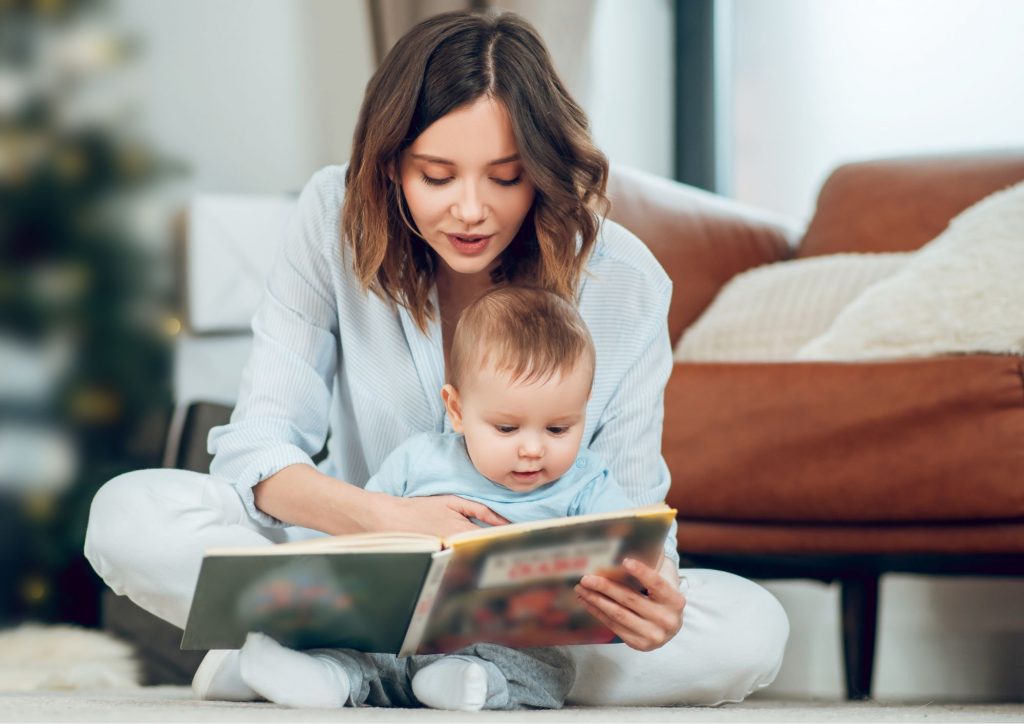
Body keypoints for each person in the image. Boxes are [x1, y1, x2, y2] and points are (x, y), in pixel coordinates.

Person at [84, 8, 788, 708]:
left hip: (530, 616)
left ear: (543, 171)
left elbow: (633, 516)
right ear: (391, 166)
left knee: (750, 630)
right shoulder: (333, 217)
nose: (471, 210)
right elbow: (258, 451)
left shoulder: (623, 280)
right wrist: (385, 519)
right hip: (352, 562)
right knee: (128, 516)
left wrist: (649, 598)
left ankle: (302, 659)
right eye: (438, 175)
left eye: (506, 178)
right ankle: (393, 667)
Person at [231, 285, 679, 711]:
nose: (533, 448)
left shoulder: (587, 483)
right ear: (457, 410)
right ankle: (326, 679)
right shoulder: (418, 461)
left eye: (559, 428)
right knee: (354, 647)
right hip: (400, 628)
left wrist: (652, 574)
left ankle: (466, 681)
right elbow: (362, 542)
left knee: (549, 668)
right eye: (507, 428)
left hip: (510, 639)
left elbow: (637, 541)